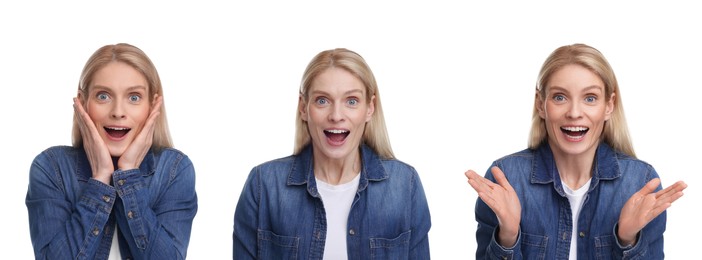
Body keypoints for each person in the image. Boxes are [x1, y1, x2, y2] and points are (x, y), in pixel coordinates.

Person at [464, 43, 687, 259]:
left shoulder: (640, 183)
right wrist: (508, 238)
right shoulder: (507, 179)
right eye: (559, 97)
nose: (574, 113)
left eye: (590, 98)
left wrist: (627, 240)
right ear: (541, 104)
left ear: (609, 106)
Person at [233, 48, 431, 259]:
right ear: (303, 107)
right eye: (322, 100)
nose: (336, 115)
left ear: (369, 108)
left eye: (352, 101)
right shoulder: (264, 185)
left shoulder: (404, 185)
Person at [25, 43, 198, 259]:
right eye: (103, 96)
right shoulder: (51, 167)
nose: (118, 112)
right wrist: (99, 180)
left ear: (153, 105)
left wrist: (128, 175)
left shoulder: (174, 170)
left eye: (134, 97)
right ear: (82, 102)